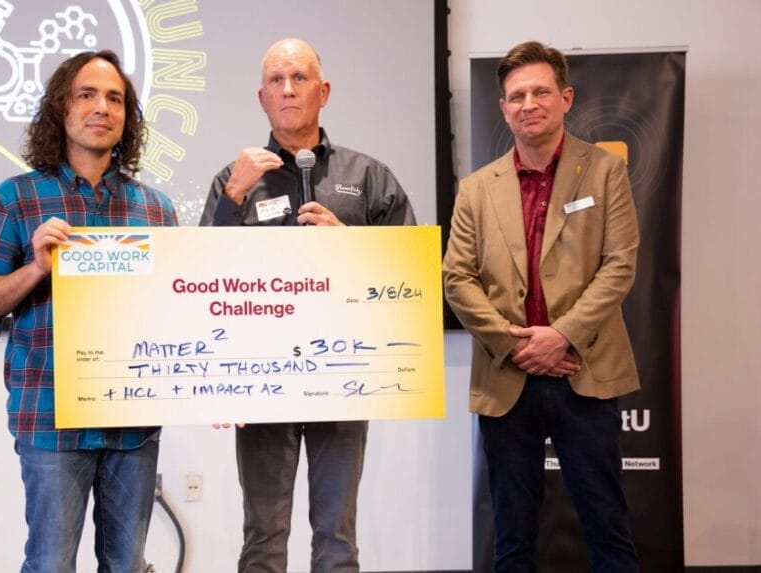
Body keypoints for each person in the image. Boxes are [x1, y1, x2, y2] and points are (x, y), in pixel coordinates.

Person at [199, 38, 416, 572]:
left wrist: (349, 241)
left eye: (299, 78)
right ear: (261, 97)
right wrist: (233, 199)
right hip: (260, 380)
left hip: (343, 376)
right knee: (264, 536)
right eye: (276, 80)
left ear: (324, 91)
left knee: (337, 538)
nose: (288, 89)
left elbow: (413, 274)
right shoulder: (235, 180)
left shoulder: (369, 177)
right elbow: (201, 273)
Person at [0, 50, 177, 572]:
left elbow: (175, 309)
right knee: (51, 564)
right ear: (61, 109)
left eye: (115, 98)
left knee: (127, 564)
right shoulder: (15, 200)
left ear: (127, 118)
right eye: (86, 94)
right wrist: (36, 267)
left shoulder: (156, 209)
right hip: (51, 419)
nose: (101, 107)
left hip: (133, 421)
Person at [443, 40, 640, 572]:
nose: (528, 103)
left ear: (566, 97)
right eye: (516, 95)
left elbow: (619, 265)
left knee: (607, 526)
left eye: (540, 91)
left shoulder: (604, 172)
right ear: (503, 107)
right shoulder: (476, 189)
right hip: (508, 378)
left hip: (584, 369)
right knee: (512, 536)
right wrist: (517, 344)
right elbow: (456, 278)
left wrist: (561, 336)